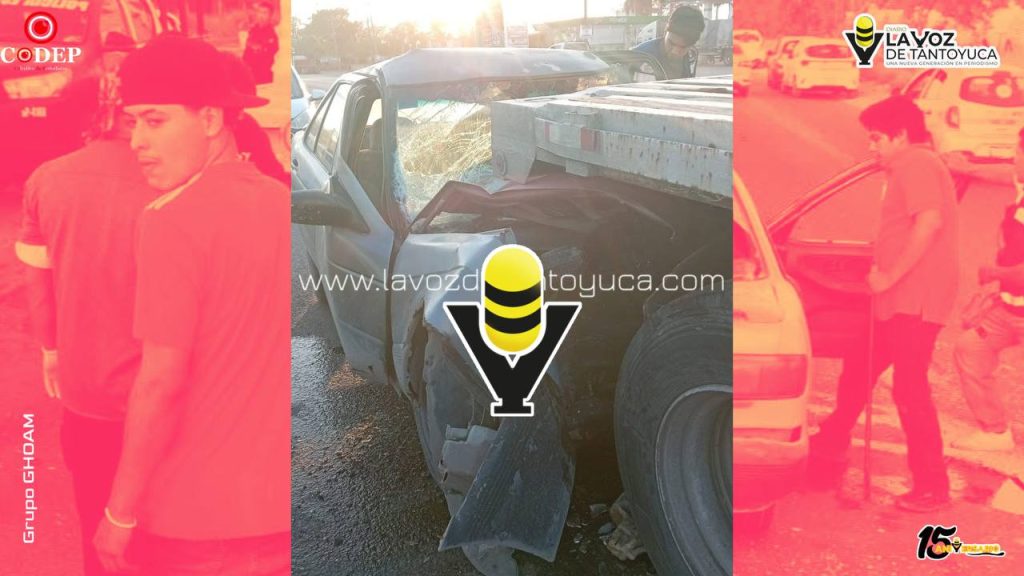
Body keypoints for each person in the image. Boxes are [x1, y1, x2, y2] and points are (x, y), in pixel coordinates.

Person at [90, 35, 291, 574]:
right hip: (281, 511)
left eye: (155, 121)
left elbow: (160, 382)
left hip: (198, 518)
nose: (137, 141)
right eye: (132, 122)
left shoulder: (170, 220)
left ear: (209, 120)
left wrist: (119, 513)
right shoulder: (280, 202)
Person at [15, 77, 158, 576]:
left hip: (86, 394)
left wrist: (51, 350)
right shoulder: (173, 179)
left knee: (97, 526)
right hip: (163, 394)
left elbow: (39, 283)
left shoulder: (48, 179)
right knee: (168, 536)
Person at [807, 96, 959, 513]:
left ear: (901, 136)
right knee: (859, 368)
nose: (871, 146)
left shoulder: (917, 163)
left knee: (910, 391)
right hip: (898, 301)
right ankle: (830, 444)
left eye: (876, 138)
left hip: (915, 301)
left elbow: (929, 223)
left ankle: (932, 487)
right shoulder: (909, 166)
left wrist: (889, 276)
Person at [951, 127, 1024, 452]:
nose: (1013, 157)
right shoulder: (1022, 186)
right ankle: (995, 432)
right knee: (971, 348)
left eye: (1018, 151)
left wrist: (993, 275)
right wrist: (967, 169)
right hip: (1009, 308)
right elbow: (1006, 174)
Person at [632, 5, 705, 79]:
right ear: (666, 30)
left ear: (692, 45)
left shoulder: (691, 55)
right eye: (671, 43)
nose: (675, 51)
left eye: (683, 47)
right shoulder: (640, 55)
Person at [242, 0, 279, 85]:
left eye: (264, 13)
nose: (261, 15)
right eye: (259, 12)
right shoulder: (253, 30)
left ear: (270, 16)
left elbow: (270, 52)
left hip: (263, 74)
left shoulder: (271, 34)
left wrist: (258, 48)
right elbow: (247, 52)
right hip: (250, 73)